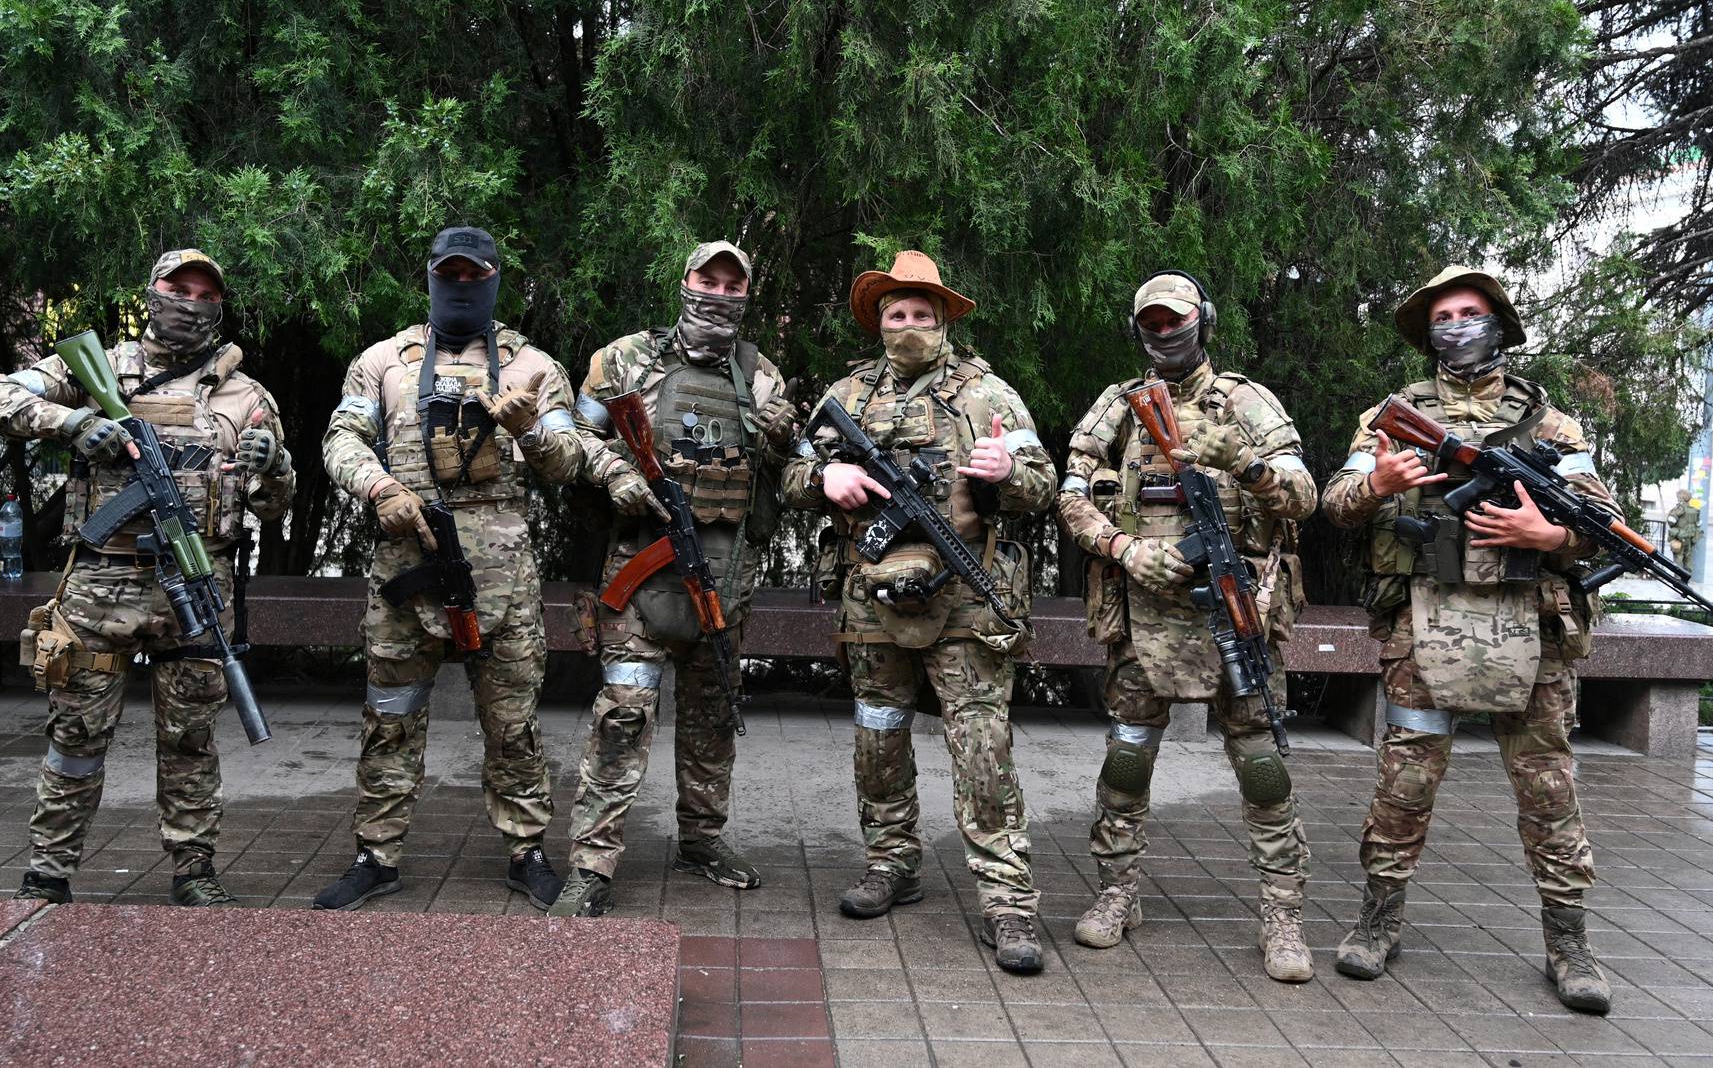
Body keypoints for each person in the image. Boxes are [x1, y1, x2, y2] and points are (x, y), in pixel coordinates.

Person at [1324, 266, 1617, 1014]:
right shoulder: (1392, 417)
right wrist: (1380, 484)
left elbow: (1601, 526)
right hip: (1426, 624)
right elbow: (1336, 503)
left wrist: (1547, 532)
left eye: (1469, 312)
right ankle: (1377, 920)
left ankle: (1569, 942)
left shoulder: (1553, 425)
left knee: (1548, 788)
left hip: (1532, 629)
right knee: (1406, 780)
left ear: (1500, 323)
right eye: (1443, 316)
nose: (1456, 324)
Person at [0, 249, 295, 907]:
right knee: (77, 732)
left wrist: (275, 462)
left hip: (197, 587)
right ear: (153, 292)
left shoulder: (248, 395)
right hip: (100, 582)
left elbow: (275, 504)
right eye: (179, 286)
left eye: (205, 291)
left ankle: (194, 869)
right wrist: (73, 421)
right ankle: (47, 871)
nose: (191, 300)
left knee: (190, 737)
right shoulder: (96, 369)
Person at [781, 250, 1053, 975]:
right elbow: (792, 473)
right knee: (879, 735)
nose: (908, 325)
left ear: (943, 320)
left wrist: (1008, 473)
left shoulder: (988, 393)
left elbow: (1044, 481)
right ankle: (891, 860)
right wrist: (827, 472)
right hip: (873, 595)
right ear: (879, 321)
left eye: (921, 314)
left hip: (966, 596)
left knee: (981, 745)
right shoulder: (846, 393)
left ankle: (1007, 897)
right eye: (896, 314)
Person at [1056, 271, 1317, 982]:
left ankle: (1284, 914)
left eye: (1176, 319)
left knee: (1262, 766)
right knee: (1128, 756)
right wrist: (1124, 547)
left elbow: (1305, 495)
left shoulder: (1246, 401)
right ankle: (1117, 892)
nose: (1164, 331)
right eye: (1152, 320)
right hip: (1144, 613)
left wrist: (1246, 463)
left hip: (1235, 608)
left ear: (1203, 319)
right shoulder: (1119, 406)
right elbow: (1071, 493)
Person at [312, 227, 583, 912]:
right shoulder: (382, 361)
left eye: (474, 275)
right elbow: (340, 438)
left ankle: (526, 848)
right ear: (431, 277)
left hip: (502, 581)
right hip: (406, 568)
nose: (461, 286)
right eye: (449, 274)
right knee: (390, 716)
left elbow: (569, 463)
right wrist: (380, 488)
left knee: (512, 721)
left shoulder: (534, 366)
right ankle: (377, 853)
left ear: (493, 278)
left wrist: (531, 431)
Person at [549, 241, 798, 917]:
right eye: (706, 280)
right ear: (684, 282)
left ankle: (702, 838)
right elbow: (572, 435)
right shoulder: (625, 358)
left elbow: (798, 476)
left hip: (724, 583)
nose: (718, 294)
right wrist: (618, 474)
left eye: (731, 285)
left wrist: (782, 440)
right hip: (640, 583)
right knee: (624, 717)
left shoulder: (762, 376)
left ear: (745, 295)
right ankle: (591, 865)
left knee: (713, 720)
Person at [1667, 488, 1700, 568]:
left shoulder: (1679, 509)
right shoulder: (1694, 510)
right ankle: (1686, 578)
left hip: (1679, 537)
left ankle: (1677, 578)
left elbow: (1671, 521)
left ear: (1680, 498)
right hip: (1689, 538)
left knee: (1678, 558)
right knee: (1688, 558)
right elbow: (1698, 524)